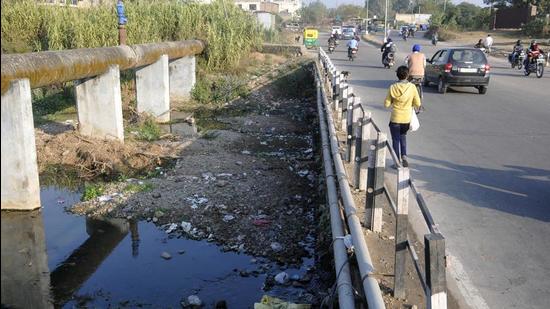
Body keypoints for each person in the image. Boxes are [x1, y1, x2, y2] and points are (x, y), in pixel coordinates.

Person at [384, 66, 421, 168]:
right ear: (407, 75)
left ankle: (397, 163)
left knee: (395, 140)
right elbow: (418, 103)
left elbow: (386, 104)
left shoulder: (392, 87)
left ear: (397, 75)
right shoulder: (412, 87)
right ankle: (404, 156)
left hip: (395, 118)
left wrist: (392, 101)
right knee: (403, 137)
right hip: (406, 119)